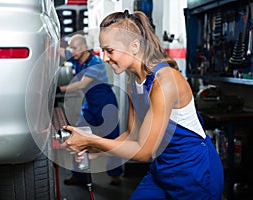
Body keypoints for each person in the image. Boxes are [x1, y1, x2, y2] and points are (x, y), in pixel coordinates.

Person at [62, 10, 224, 199]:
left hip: (195, 172)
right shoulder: (134, 83)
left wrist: (91, 140)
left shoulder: (165, 81)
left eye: (109, 50)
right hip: (164, 170)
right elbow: (132, 136)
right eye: (102, 50)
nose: (105, 57)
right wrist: (93, 152)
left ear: (134, 46)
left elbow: (144, 151)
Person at [58, 34, 123, 186]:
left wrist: (59, 89)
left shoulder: (95, 62)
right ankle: (78, 175)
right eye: (70, 48)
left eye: (74, 48)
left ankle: (115, 174)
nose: (71, 51)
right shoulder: (76, 56)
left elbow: (82, 84)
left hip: (106, 104)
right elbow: (60, 51)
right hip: (90, 103)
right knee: (79, 136)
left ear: (83, 48)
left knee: (111, 138)